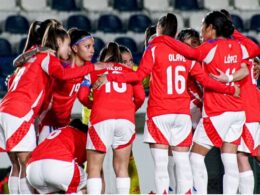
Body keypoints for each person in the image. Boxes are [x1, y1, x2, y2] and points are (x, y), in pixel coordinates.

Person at [93, 13, 239, 194]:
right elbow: (206, 81)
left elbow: (138, 76)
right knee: (182, 161)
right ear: (175, 31)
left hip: (159, 112)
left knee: (161, 165)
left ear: (160, 28)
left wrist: (110, 76)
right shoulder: (185, 53)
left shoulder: (154, 49)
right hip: (181, 114)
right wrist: (230, 89)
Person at [151, 11, 252, 194]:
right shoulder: (238, 46)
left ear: (211, 29)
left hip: (217, 111)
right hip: (237, 111)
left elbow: (189, 52)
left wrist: (162, 38)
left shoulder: (210, 47)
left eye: (203, 25)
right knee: (230, 160)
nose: (201, 30)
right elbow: (246, 68)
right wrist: (229, 78)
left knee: (195, 158)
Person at [0, 22, 95, 194]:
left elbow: (16, 68)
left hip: (8, 109)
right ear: (60, 43)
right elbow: (63, 76)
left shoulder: (32, 57)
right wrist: (95, 68)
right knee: (28, 164)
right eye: (66, 44)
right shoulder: (51, 60)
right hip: (32, 116)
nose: (92, 50)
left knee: (19, 165)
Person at [78, 42, 145, 194]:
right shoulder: (128, 71)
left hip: (101, 118)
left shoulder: (94, 69)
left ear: (103, 59)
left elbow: (81, 95)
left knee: (94, 168)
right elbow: (140, 97)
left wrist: (92, 105)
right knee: (122, 168)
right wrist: (129, 109)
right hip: (126, 119)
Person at [37, 28, 95, 143]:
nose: (92, 50)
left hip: (63, 123)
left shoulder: (87, 67)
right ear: (74, 48)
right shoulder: (60, 66)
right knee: (38, 157)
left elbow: (83, 97)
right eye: (87, 46)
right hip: (46, 121)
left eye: (93, 46)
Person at [26, 119, 88, 194]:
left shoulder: (58, 132)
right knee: (91, 183)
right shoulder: (83, 135)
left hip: (32, 172)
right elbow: (93, 167)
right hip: (58, 167)